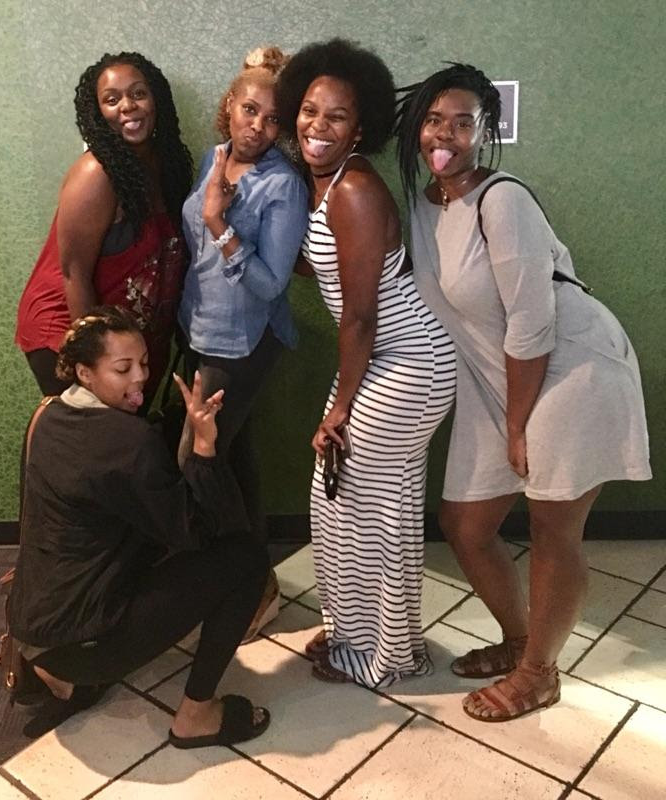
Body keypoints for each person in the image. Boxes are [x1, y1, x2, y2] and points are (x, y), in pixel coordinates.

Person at [395, 63, 651, 721]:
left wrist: (518, 425)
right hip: (496, 379)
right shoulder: (423, 207)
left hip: (570, 370)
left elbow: (533, 322)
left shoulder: (501, 199)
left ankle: (539, 672)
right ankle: (518, 642)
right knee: (465, 524)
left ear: (485, 132)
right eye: (434, 119)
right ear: (417, 126)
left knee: (551, 528)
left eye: (464, 122)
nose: (446, 134)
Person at [275, 39, 457, 688]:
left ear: (360, 128)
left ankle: (383, 656)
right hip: (383, 356)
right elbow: (319, 265)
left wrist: (341, 409)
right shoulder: (321, 183)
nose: (318, 126)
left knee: (367, 503)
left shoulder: (353, 188)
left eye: (338, 116)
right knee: (350, 499)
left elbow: (359, 316)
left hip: (408, 359)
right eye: (309, 110)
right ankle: (365, 637)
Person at [8, 306, 271, 745]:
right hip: (80, 644)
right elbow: (201, 532)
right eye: (122, 368)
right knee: (246, 559)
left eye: (145, 364)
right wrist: (204, 448)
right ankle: (196, 716)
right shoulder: (127, 441)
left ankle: (63, 675)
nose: (140, 379)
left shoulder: (48, 416)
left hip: (32, 626)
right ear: (85, 373)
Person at [178, 47, 308, 639]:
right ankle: (252, 582)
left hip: (241, 342)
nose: (258, 126)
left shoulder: (282, 185)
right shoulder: (214, 158)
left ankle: (243, 580)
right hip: (199, 329)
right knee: (233, 455)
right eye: (250, 110)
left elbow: (271, 283)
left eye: (273, 119)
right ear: (230, 105)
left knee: (196, 460)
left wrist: (218, 223)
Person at [15, 52, 193, 404]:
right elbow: (74, 274)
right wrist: (95, 361)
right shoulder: (96, 174)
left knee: (131, 430)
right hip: (71, 325)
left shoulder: (165, 164)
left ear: (156, 99)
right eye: (112, 100)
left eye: (138, 93)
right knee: (96, 433)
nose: (127, 106)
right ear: (98, 113)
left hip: (128, 335)